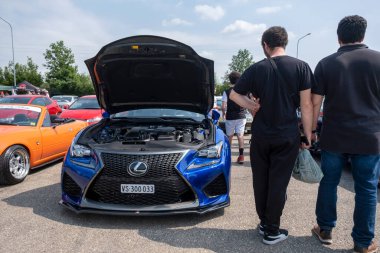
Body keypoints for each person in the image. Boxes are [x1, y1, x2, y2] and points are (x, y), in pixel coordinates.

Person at [230, 26, 313, 245]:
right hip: (287, 134)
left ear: (266, 45)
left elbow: (233, 94)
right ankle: (272, 230)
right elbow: (305, 105)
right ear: (284, 43)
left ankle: (265, 223)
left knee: (261, 180)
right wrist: (307, 135)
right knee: (278, 182)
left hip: (261, 134)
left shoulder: (257, 69)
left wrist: (250, 105)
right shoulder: (302, 67)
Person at [311, 15, 380, 253]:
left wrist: (310, 131)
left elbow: (315, 103)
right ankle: (363, 242)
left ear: (339, 36)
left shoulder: (326, 63)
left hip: (334, 136)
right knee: (367, 188)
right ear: (363, 35)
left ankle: (325, 229)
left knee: (328, 182)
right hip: (370, 136)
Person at [221, 71, 247, 164]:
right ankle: (241, 156)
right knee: (240, 135)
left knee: (230, 136)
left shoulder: (227, 92)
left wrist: (223, 113)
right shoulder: (243, 91)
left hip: (230, 117)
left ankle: (228, 156)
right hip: (241, 116)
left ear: (230, 80)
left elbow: (223, 106)